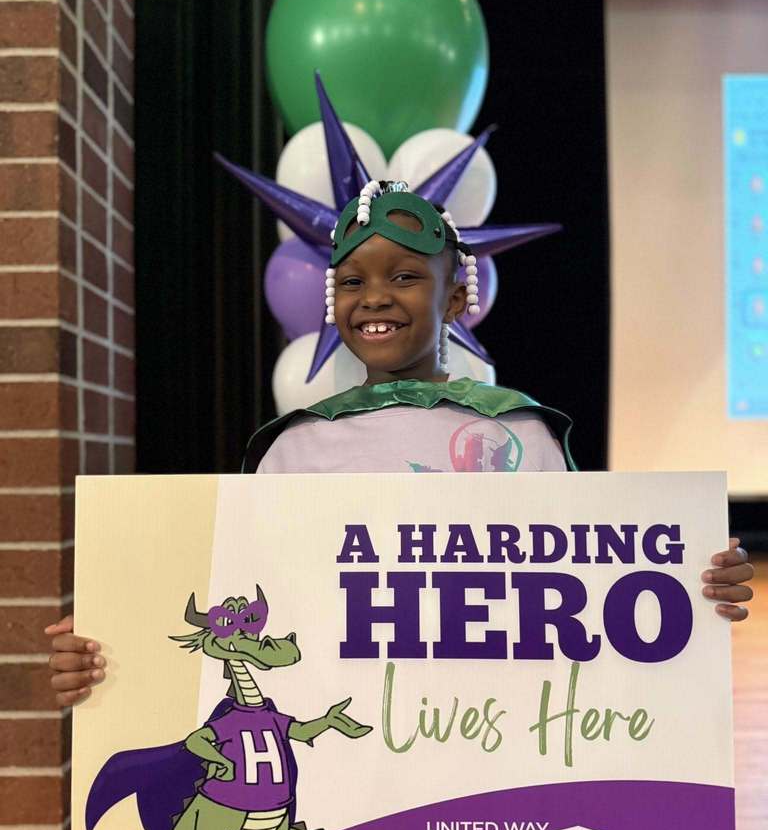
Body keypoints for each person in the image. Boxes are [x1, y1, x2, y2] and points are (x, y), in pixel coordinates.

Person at [45, 181, 754, 705]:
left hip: (490, 745)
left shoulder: (521, 433)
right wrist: (121, 632)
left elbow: (599, 588)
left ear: (455, 299)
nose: (375, 296)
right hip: (349, 755)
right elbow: (242, 603)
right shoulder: (293, 450)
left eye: (406, 276)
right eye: (353, 280)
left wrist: (700, 587)